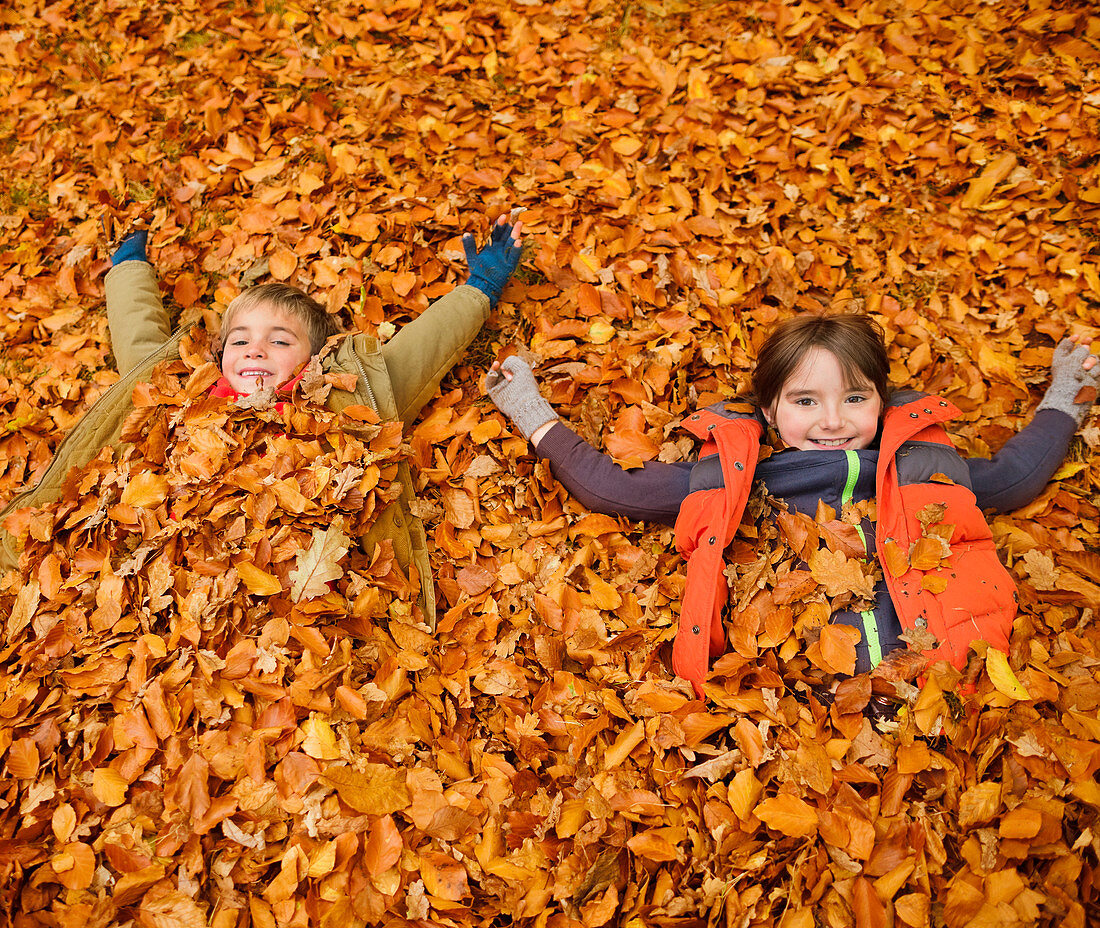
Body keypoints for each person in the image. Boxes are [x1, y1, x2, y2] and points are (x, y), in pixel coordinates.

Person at [485, 314, 1099, 697]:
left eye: (854, 398)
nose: (833, 421)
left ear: (882, 404)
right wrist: (533, 414)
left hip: (940, 682)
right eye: (806, 402)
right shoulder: (741, 478)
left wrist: (1066, 398)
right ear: (770, 413)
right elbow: (614, 489)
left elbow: (1014, 478)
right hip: (790, 692)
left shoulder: (928, 468)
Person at [0, 215, 524, 629]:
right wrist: (129, 267)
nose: (255, 349)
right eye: (241, 339)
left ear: (314, 360)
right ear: (219, 352)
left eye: (279, 340)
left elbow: (419, 350)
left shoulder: (344, 404)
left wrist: (482, 285)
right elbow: (137, 341)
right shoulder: (184, 393)